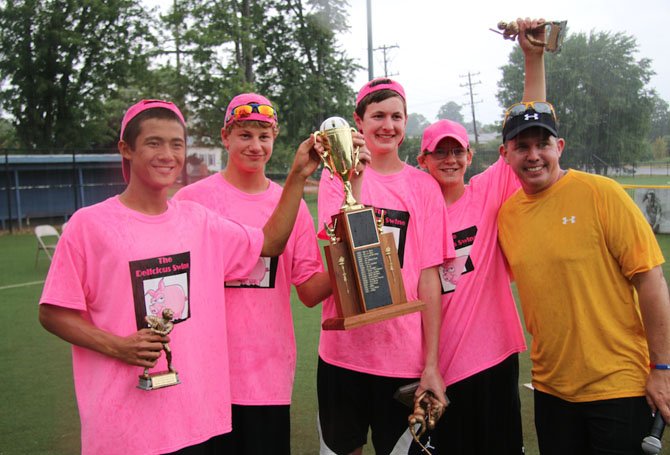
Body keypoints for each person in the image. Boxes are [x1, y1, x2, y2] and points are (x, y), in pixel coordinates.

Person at [38, 99, 321, 454]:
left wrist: (297, 175)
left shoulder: (197, 220)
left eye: (177, 144)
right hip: (121, 424)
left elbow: (270, 243)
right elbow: (52, 311)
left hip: (193, 416)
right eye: (154, 142)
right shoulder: (89, 224)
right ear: (126, 149)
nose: (167, 154)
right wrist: (118, 346)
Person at [497, 88, 670, 451]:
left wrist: (662, 369)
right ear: (505, 155)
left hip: (618, 387)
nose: (534, 156)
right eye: (522, 147)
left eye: (542, 144)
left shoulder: (602, 193)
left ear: (559, 147)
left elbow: (651, 281)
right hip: (551, 390)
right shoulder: (507, 216)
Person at [172, 92, 332, 455]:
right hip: (204, 375)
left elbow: (307, 290)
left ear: (275, 138)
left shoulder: (293, 206)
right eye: (245, 134)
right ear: (225, 137)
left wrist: (350, 260)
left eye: (264, 136)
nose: (255, 145)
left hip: (266, 375)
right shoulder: (191, 201)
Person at [414, 18, 546, 454]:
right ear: (424, 159)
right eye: (440, 152)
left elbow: (533, 116)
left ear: (472, 155)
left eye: (457, 151)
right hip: (436, 362)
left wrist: (532, 57)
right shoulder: (414, 211)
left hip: (491, 357)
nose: (449, 159)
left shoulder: (488, 192)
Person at [316, 78, 454, 455]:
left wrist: (431, 364)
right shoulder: (335, 176)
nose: (387, 125)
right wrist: (355, 180)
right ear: (358, 122)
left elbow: (429, 279)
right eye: (377, 115)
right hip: (343, 354)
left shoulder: (424, 188)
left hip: (402, 360)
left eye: (396, 116)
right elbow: (339, 250)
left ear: (406, 122)